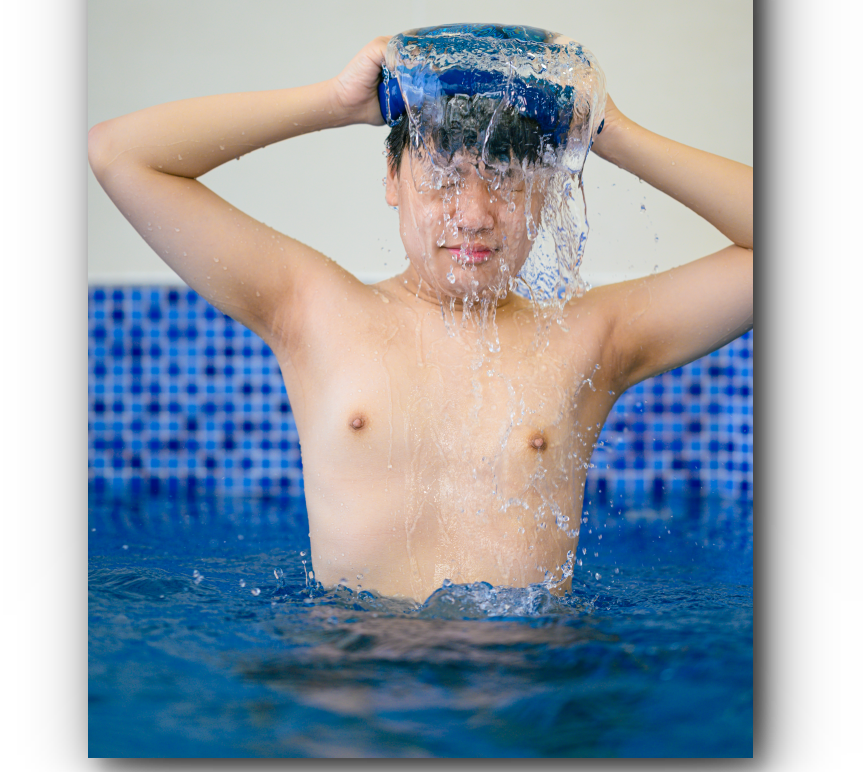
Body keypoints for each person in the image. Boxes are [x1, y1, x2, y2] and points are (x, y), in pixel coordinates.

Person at [88, 35, 753, 601]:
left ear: (546, 189)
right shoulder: (314, 309)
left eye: (505, 178)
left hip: (523, 685)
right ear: (391, 178)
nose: (474, 215)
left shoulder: (589, 336)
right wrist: (333, 103)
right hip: (356, 675)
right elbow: (120, 153)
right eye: (443, 179)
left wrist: (608, 131)